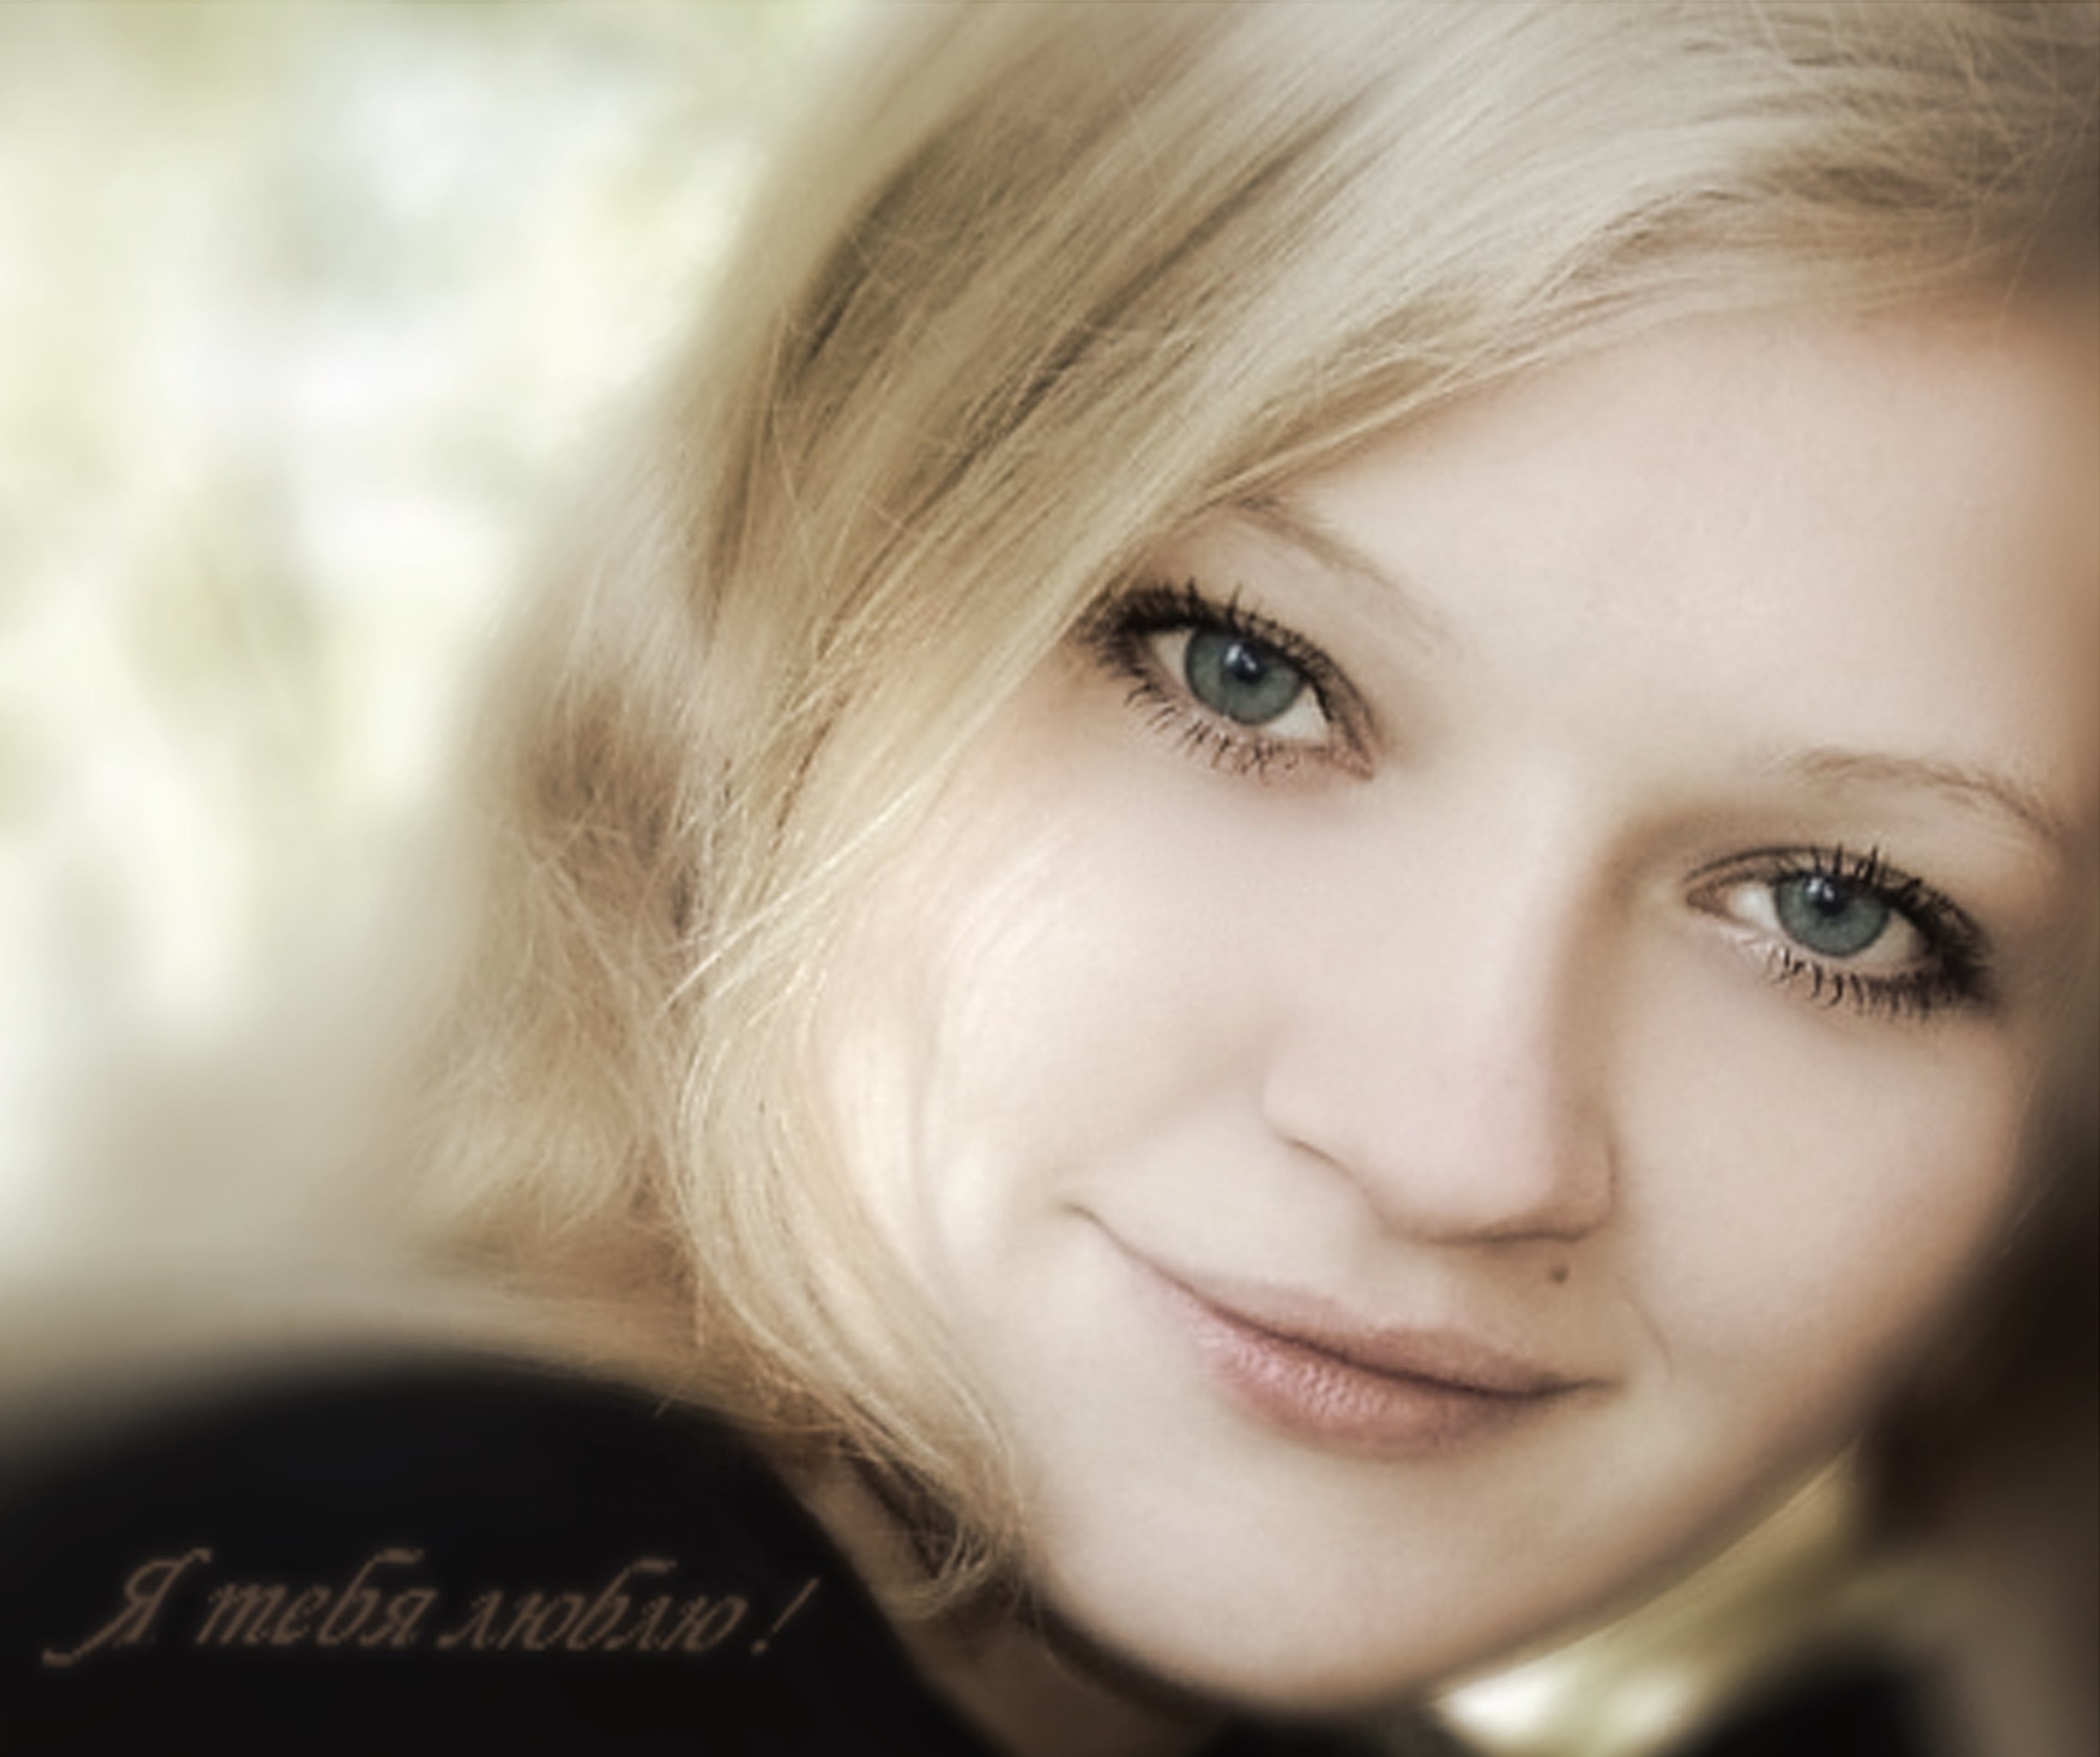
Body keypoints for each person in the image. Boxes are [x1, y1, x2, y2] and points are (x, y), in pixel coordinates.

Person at [2, 3, 2092, 1754]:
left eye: (1839, 909)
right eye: (1246, 674)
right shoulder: (360, 1620)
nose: (1459, 1144)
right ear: (774, 602)